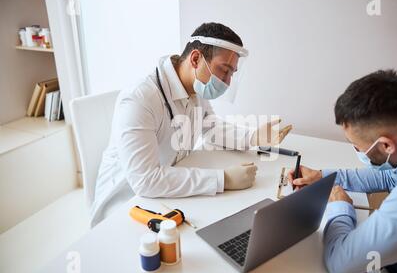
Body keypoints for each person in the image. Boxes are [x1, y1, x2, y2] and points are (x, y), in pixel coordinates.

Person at [92, 22, 292, 226]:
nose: (227, 82)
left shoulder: (195, 88)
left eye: (232, 73)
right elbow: (146, 180)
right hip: (125, 205)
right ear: (196, 58)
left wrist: (254, 137)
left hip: (168, 193)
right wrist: (223, 179)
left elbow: (211, 126)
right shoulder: (140, 99)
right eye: (224, 70)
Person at [288, 69, 397, 273]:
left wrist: (341, 208)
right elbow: (391, 178)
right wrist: (323, 177)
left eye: (356, 145)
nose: (357, 150)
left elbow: (339, 264)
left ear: (385, 145)